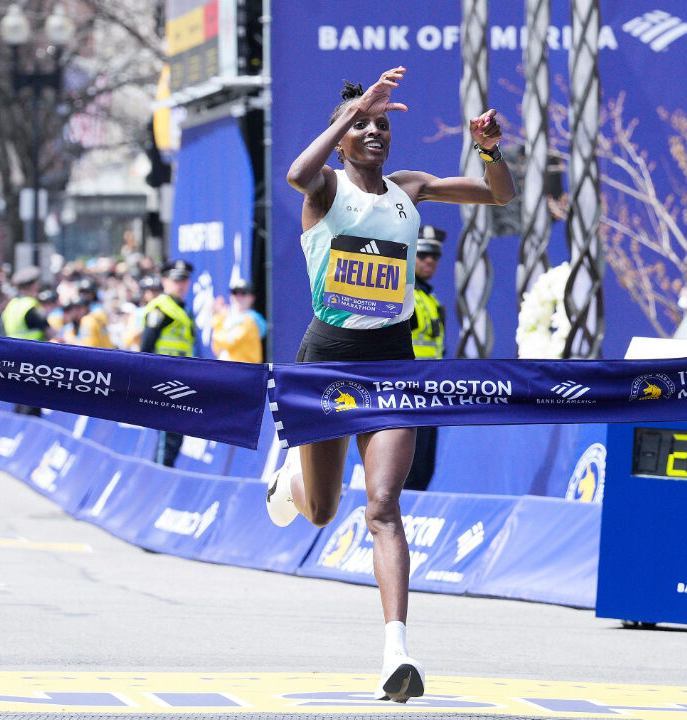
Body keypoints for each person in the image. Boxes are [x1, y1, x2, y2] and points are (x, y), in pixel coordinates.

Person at [267, 66, 515, 703]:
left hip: (391, 369)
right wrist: (353, 107)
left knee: (382, 506)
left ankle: (395, 653)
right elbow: (295, 174)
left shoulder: (410, 189)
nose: (376, 132)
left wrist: (488, 148)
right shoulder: (322, 190)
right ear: (343, 138)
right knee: (321, 511)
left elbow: (499, 196)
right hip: (326, 364)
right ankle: (288, 476)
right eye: (364, 126)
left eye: (382, 125)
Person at [140, 259, 195, 467]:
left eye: (184, 280)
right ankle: (157, 483)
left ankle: (161, 479)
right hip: (163, 380)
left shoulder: (181, 309)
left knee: (174, 438)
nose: (181, 284)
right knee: (167, 439)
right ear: (164, 281)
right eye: (176, 280)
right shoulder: (161, 308)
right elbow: (146, 348)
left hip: (180, 380)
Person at [404, 225, 446, 491]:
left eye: (435, 257)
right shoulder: (404, 296)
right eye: (423, 255)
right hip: (408, 391)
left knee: (424, 469)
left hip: (431, 390)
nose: (430, 261)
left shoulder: (432, 299)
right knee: (406, 468)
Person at [1, 266, 55, 416]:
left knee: (19, 403)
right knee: (31, 405)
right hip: (33, 360)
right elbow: (50, 332)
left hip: (13, 359)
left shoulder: (11, 306)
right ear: (34, 285)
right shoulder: (30, 306)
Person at [211, 279, 267, 363]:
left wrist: (218, 317)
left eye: (243, 293)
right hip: (229, 371)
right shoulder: (227, 319)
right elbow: (217, 349)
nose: (238, 297)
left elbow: (229, 342)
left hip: (244, 372)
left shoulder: (250, 320)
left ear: (252, 297)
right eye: (235, 292)